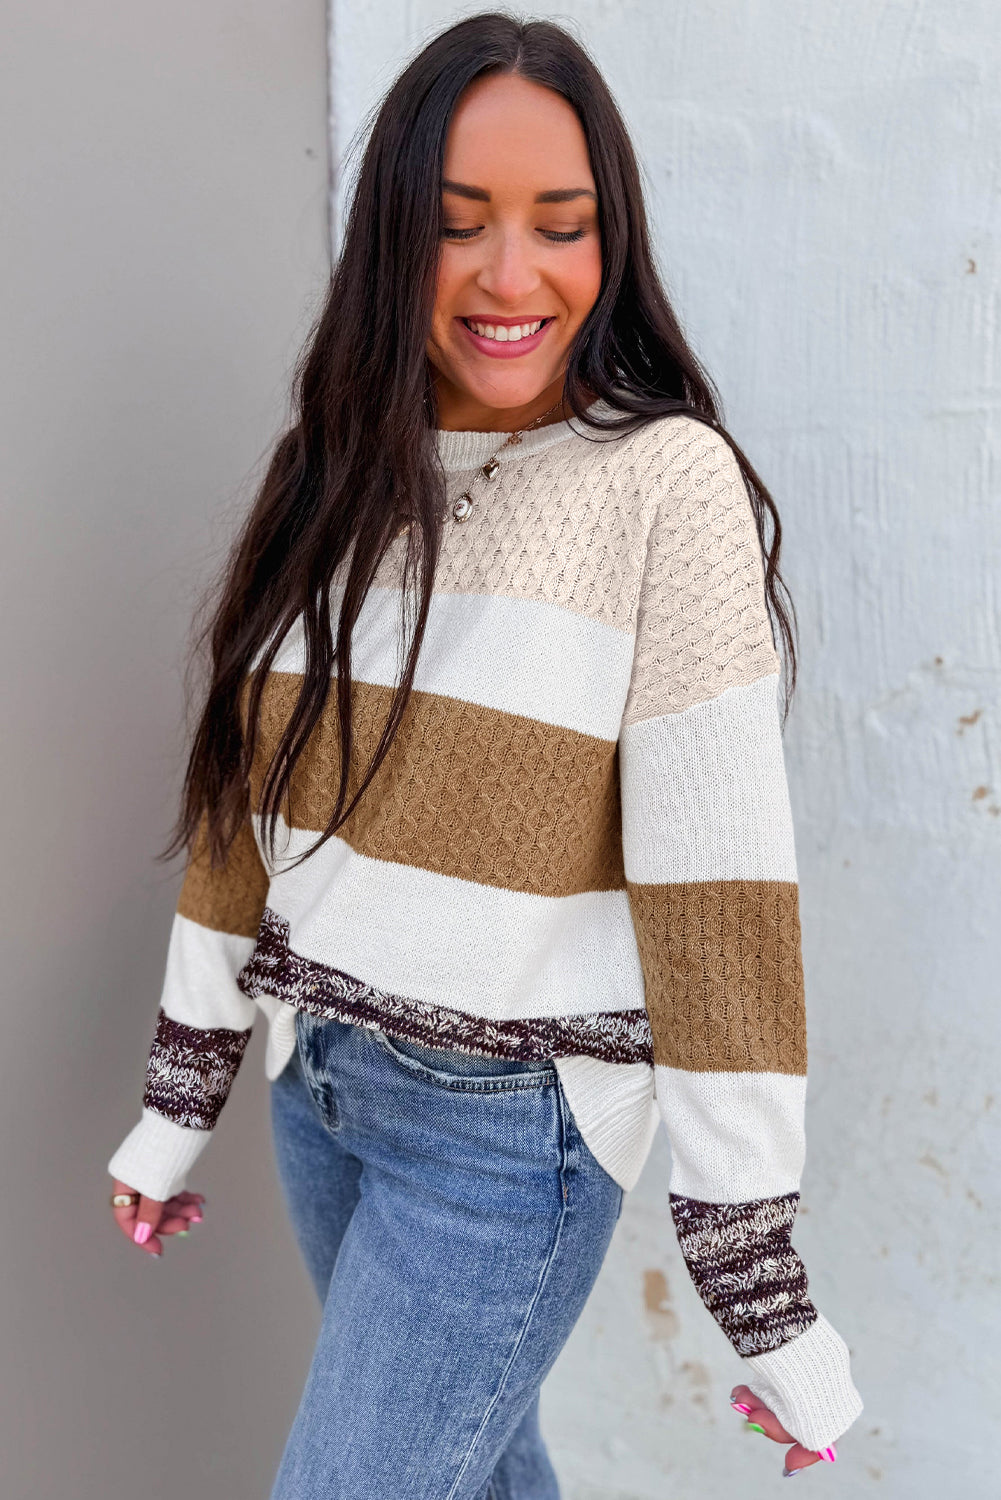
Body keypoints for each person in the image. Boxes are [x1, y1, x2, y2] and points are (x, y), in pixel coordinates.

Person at [106, 13, 863, 1495]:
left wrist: (758, 1290)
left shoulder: (665, 484)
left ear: (610, 241)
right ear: (392, 240)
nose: (513, 276)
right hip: (319, 1087)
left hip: (503, 1142)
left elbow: (716, 903)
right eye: (458, 226)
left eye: (560, 226)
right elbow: (243, 818)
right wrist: (175, 1104)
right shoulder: (333, 470)